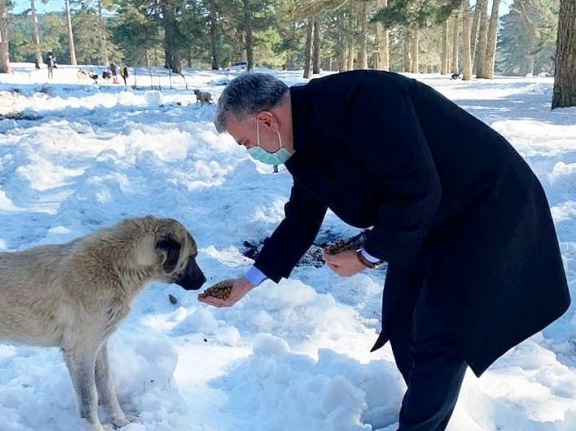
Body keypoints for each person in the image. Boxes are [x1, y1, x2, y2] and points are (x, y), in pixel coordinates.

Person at [199, 71, 571, 431]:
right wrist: (246, 283)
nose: (250, 151)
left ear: (266, 120)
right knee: (402, 320)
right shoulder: (301, 135)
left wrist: (365, 256)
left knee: (440, 331)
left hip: (485, 211)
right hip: (425, 219)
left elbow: (417, 188)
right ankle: (424, 412)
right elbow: (301, 218)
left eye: (245, 142)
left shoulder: (361, 101)